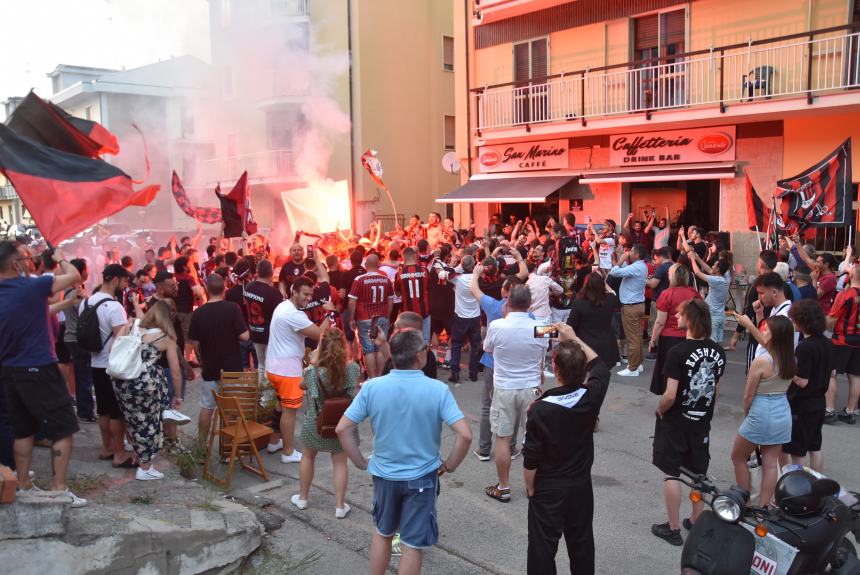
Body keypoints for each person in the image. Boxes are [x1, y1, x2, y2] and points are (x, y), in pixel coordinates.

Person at [336, 329, 472, 575]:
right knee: (411, 544)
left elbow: (343, 428)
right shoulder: (437, 390)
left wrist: (359, 462)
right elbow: (465, 434)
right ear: (420, 355)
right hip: (422, 477)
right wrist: (449, 465)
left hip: (385, 475)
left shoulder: (372, 387)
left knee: (383, 533)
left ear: (393, 356)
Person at [0, 243, 87, 505]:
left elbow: (33, 312)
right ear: (16, 264)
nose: (32, 262)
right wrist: (60, 258)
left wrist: (67, 304)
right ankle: (59, 487)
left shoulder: (14, 292)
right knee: (62, 429)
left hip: (10, 371)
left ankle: (24, 483)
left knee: (22, 430)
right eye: (27, 258)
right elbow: (75, 275)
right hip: (39, 366)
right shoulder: (33, 286)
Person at [523, 322, 610, 575]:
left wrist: (530, 486)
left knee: (542, 549)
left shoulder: (540, 408)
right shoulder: (590, 396)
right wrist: (575, 338)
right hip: (580, 486)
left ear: (554, 368)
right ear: (584, 372)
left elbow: (531, 457)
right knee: (582, 545)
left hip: (549, 487)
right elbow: (601, 369)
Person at [652, 299, 726, 546]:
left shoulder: (678, 352)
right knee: (698, 473)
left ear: (690, 320)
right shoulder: (718, 350)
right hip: (701, 421)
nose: (676, 316)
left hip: (676, 421)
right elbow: (715, 388)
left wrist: (660, 410)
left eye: (680, 314)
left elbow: (670, 394)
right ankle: (696, 520)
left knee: (671, 472)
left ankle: (672, 528)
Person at [483, 285, 548, 503]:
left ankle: (504, 487)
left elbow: (488, 349)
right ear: (529, 304)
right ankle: (533, 487)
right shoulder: (541, 326)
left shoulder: (497, 325)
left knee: (503, 437)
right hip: (531, 387)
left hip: (505, 387)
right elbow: (550, 342)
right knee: (533, 438)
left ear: (508, 302)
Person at [290, 328, 359, 517]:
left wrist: (313, 359)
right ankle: (339, 506)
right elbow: (352, 391)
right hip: (342, 423)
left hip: (316, 421)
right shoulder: (352, 368)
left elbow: (302, 386)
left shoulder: (312, 372)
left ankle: (303, 498)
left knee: (308, 456)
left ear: (322, 346)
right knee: (340, 462)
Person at [113, 300, 182, 481]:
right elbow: (175, 372)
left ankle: (140, 459)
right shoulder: (166, 337)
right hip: (146, 384)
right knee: (149, 425)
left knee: (132, 421)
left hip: (123, 381)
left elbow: (115, 346)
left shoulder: (133, 326)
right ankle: (145, 468)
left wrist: (129, 321)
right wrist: (178, 395)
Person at [730, 315, 795, 507]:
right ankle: (764, 507)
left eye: (767, 329)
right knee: (770, 463)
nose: (763, 331)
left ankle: (745, 501)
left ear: (775, 335)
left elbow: (748, 395)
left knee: (738, 457)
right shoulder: (791, 359)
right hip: (782, 410)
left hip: (761, 410)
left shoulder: (761, 361)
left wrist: (747, 414)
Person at [267, 276, 333, 464]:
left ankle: (274, 442)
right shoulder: (294, 314)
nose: (308, 298)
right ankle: (288, 452)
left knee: (280, 406)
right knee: (290, 411)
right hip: (287, 371)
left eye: (311, 294)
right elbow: (319, 333)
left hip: (275, 366)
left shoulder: (283, 306)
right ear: (293, 291)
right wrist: (329, 314)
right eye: (305, 294)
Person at [471, 267, 527, 462]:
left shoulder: (495, 308)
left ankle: (484, 448)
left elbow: (487, 348)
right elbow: (547, 337)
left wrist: (476, 273)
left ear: (506, 292)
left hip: (493, 365)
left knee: (488, 406)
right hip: (518, 368)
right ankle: (510, 448)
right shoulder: (534, 320)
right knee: (514, 408)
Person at [83, 264, 136, 468]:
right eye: (124, 281)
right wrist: (130, 325)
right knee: (116, 412)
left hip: (95, 362)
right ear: (115, 280)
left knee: (103, 410)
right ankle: (120, 454)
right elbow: (120, 338)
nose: (125, 285)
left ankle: (106, 448)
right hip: (113, 365)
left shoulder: (87, 302)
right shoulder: (115, 307)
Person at [188, 273, 250, 441]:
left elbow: (194, 343)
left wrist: (202, 361)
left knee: (207, 407)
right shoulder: (232, 308)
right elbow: (245, 336)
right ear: (224, 289)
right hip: (232, 368)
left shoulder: (198, 313)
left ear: (207, 289)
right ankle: (229, 449)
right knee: (231, 409)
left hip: (210, 367)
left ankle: (201, 447)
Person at [784, 300, 832, 471]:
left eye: (794, 319)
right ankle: (817, 483)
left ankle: (800, 489)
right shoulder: (827, 343)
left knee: (797, 451)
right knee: (815, 447)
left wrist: (787, 370)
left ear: (802, 321)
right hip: (819, 402)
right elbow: (831, 372)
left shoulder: (805, 347)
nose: (792, 322)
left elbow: (802, 381)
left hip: (802, 406)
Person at [649, 265, 700, 395]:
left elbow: (660, 322)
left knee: (670, 372)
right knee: (687, 370)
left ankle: (669, 396)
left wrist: (653, 340)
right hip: (689, 337)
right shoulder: (694, 294)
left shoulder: (667, 294)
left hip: (669, 339)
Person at [825, 263, 860, 425]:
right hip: (858, 340)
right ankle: (850, 411)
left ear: (852, 276)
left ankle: (829, 410)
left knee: (831, 373)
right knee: (855, 376)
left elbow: (831, 319)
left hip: (841, 339)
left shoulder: (846, 295)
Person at [348, 254, 394, 379]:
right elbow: (390, 301)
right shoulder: (386, 279)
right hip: (382, 315)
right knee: (380, 347)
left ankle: (372, 378)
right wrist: (388, 316)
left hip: (364, 317)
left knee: (368, 349)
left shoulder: (359, 279)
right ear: (378, 264)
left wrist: (351, 318)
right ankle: (380, 376)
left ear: (366, 265)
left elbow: (352, 301)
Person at [439, 254, 482, 384]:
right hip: (475, 317)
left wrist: (455, 265)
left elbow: (442, 274)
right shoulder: (478, 278)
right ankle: (473, 374)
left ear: (462, 266)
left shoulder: (457, 278)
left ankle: (455, 373)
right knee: (475, 346)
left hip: (461, 317)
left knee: (456, 345)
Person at [62, 258, 95, 422]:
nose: (88, 272)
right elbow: (85, 313)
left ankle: (85, 410)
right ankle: (85, 412)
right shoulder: (76, 293)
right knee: (84, 376)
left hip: (73, 337)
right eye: (86, 269)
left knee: (83, 375)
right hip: (77, 339)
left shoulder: (75, 290)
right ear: (80, 272)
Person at [608, 243, 649, 376]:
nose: (629, 252)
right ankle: (638, 364)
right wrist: (622, 256)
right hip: (636, 305)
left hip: (631, 307)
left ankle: (633, 368)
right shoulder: (640, 266)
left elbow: (614, 272)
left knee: (632, 338)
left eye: (631, 250)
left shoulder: (638, 267)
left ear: (637, 254)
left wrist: (620, 260)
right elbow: (626, 269)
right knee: (636, 337)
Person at [567, 272, 621, 370]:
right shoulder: (610, 300)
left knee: (586, 378)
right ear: (602, 285)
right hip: (606, 345)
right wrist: (603, 281)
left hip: (586, 345)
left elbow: (571, 325)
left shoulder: (579, 303)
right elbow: (613, 292)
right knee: (603, 377)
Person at [684, 241, 732, 344]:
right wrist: (697, 258)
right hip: (720, 315)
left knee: (712, 343)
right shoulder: (726, 277)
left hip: (713, 316)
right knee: (717, 343)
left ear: (718, 269)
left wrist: (692, 259)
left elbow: (697, 272)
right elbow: (710, 270)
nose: (713, 266)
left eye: (715, 265)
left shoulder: (717, 281)